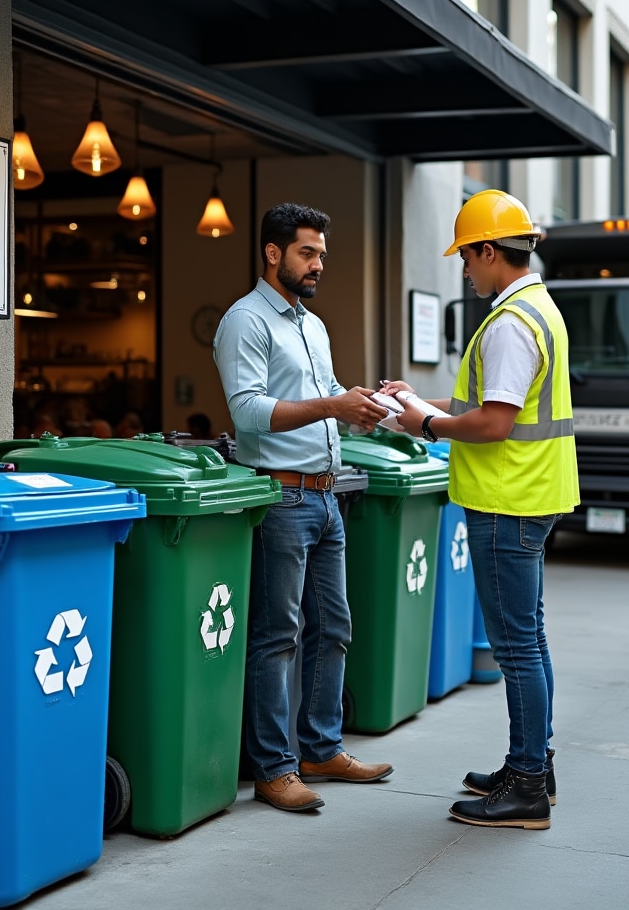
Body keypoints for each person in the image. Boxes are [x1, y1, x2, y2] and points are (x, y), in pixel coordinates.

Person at [383, 189, 579, 830]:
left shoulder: (511, 324)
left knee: (516, 647)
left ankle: (525, 786)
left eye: (467, 256)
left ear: (491, 252)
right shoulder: (537, 309)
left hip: (506, 499)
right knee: (531, 638)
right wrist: (424, 405)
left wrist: (428, 424)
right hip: (530, 494)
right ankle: (533, 766)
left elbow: (494, 423)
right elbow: (492, 403)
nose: (464, 269)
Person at [213, 202, 393, 813]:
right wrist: (333, 406)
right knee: (277, 635)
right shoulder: (246, 321)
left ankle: (319, 748)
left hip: (325, 494)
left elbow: (326, 403)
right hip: (282, 496)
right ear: (273, 253)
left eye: (321, 254)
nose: (318, 264)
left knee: (334, 627)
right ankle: (273, 768)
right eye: (307, 253)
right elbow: (248, 412)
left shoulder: (311, 326)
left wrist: (367, 404)